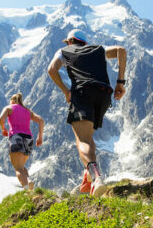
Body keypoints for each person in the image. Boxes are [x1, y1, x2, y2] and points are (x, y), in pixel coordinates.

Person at [47, 29, 127, 197]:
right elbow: (121, 50)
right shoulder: (97, 49)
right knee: (88, 137)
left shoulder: (63, 51)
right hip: (104, 94)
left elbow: (51, 70)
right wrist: (120, 82)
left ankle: (97, 177)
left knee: (82, 139)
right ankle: (87, 175)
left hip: (83, 93)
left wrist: (65, 91)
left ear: (70, 41)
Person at [0, 93, 45, 191]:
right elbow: (41, 120)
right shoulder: (27, 111)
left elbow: (1, 119)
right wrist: (40, 137)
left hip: (16, 137)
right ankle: (29, 182)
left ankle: (27, 189)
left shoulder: (9, 108)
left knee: (18, 168)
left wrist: (3, 129)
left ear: (12, 100)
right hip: (29, 138)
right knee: (22, 167)